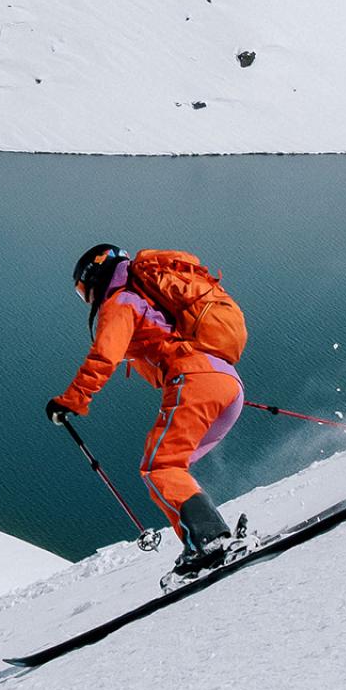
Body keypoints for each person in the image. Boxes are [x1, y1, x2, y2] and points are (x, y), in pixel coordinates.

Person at [46, 241, 249, 572]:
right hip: (227, 383)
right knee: (170, 468)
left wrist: (71, 400)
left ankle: (210, 541)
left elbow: (104, 357)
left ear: (95, 276)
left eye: (84, 292)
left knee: (160, 468)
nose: (89, 300)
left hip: (196, 380)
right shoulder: (149, 300)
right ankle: (203, 544)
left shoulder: (120, 302)